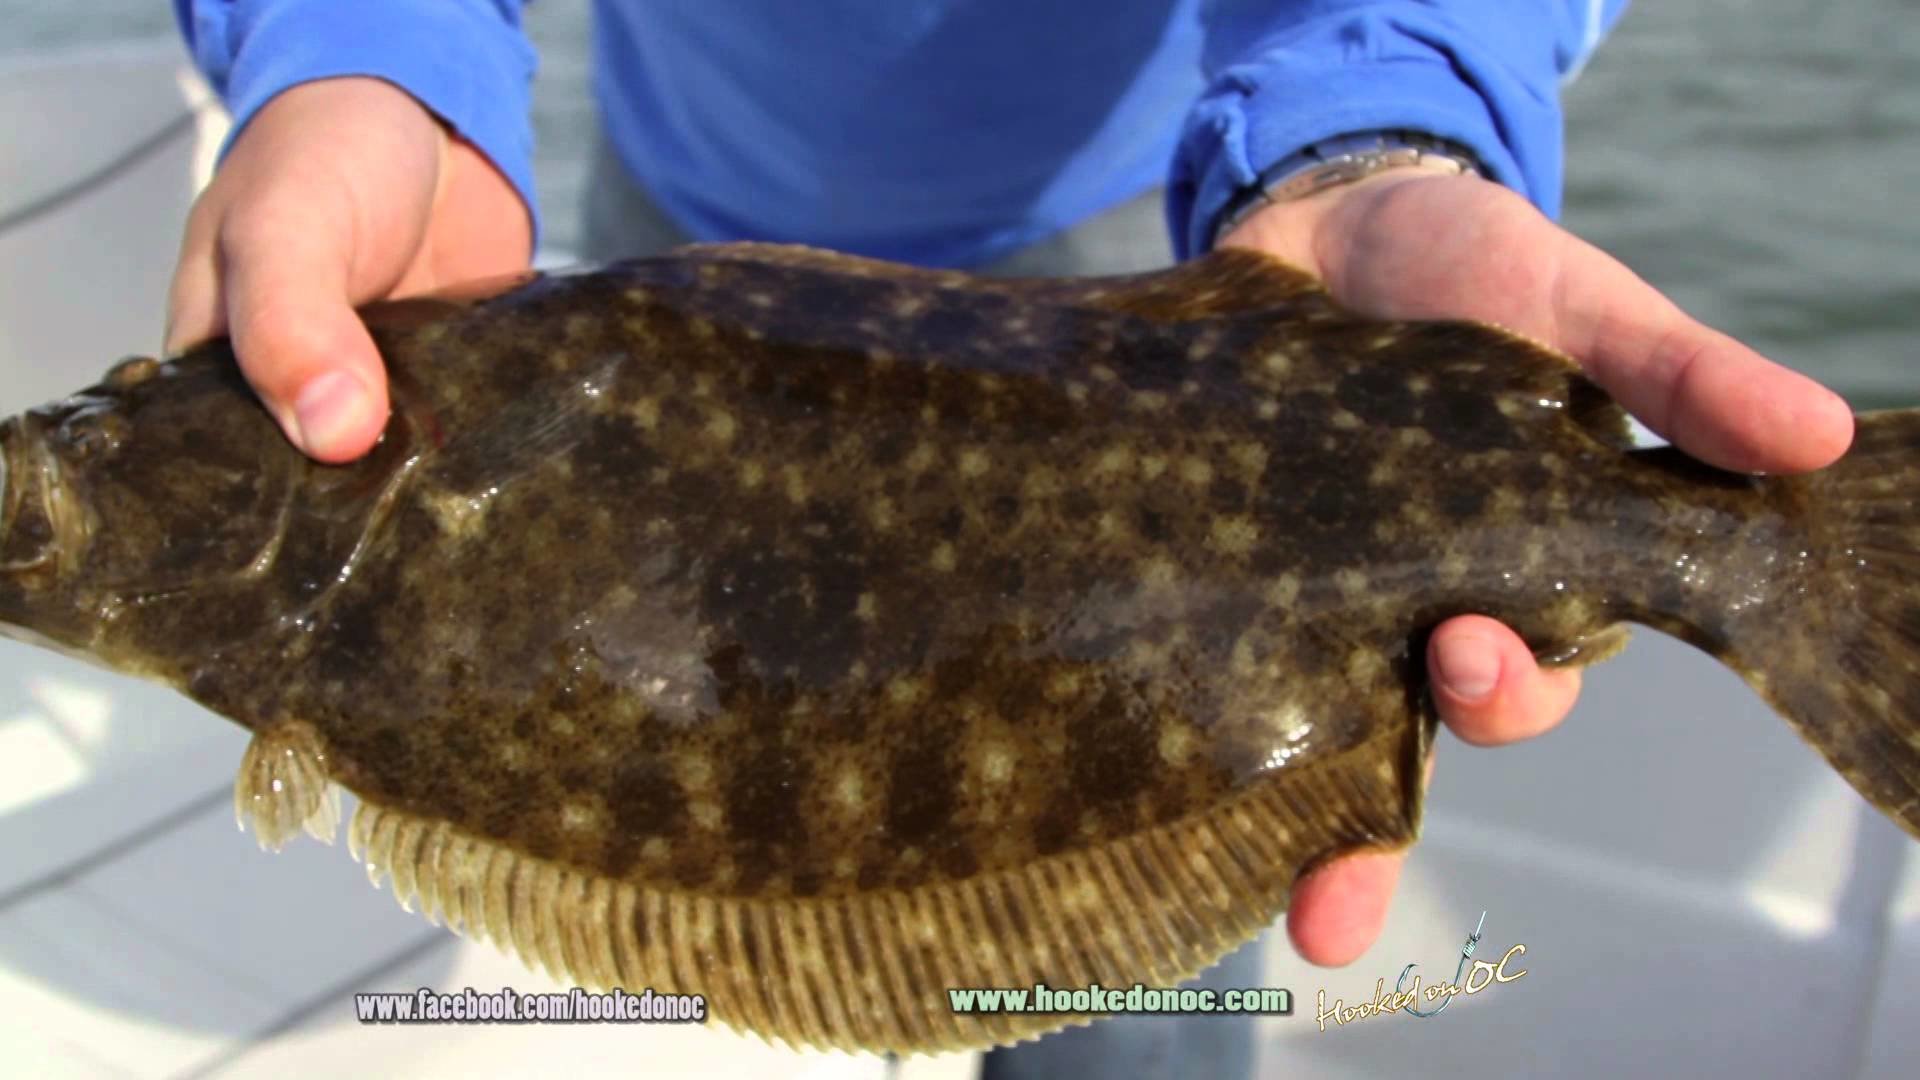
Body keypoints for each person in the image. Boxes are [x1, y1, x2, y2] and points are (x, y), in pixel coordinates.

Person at [164, 2, 1855, 1075]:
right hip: (650, 262)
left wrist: (1377, 130)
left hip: (1157, 263)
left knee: (1130, 1012)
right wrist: (367, 58)